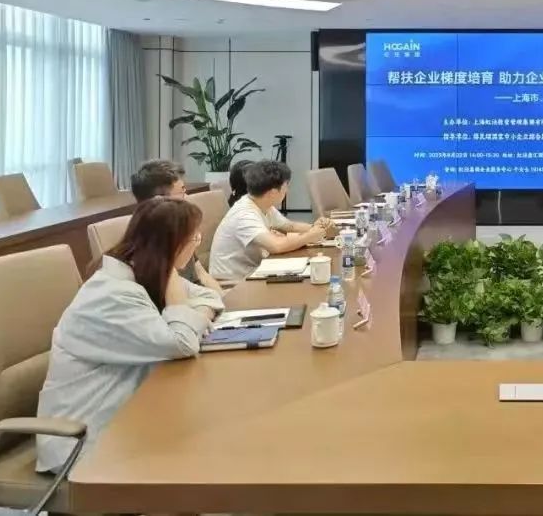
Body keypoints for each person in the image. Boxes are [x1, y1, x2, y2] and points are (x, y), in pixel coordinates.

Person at [36, 198, 223, 472]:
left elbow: (210, 297)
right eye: (194, 237)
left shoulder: (144, 273)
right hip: (83, 440)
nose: (197, 243)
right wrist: (184, 307)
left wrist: (192, 311)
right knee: (207, 454)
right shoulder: (112, 294)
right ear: (174, 244)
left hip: (130, 416)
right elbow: (182, 343)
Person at [209, 160, 337, 282]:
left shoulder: (262, 202)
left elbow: (290, 226)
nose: (287, 191)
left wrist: (316, 227)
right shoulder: (244, 214)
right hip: (236, 283)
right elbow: (276, 246)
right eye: (286, 186)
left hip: (256, 271)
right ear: (273, 192)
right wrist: (309, 236)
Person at [130, 159, 222, 294]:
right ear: (159, 201)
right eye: (182, 192)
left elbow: (201, 274)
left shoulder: (178, 228)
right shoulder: (146, 247)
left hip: (204, 299)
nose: (187, 197)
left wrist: (223, 300)